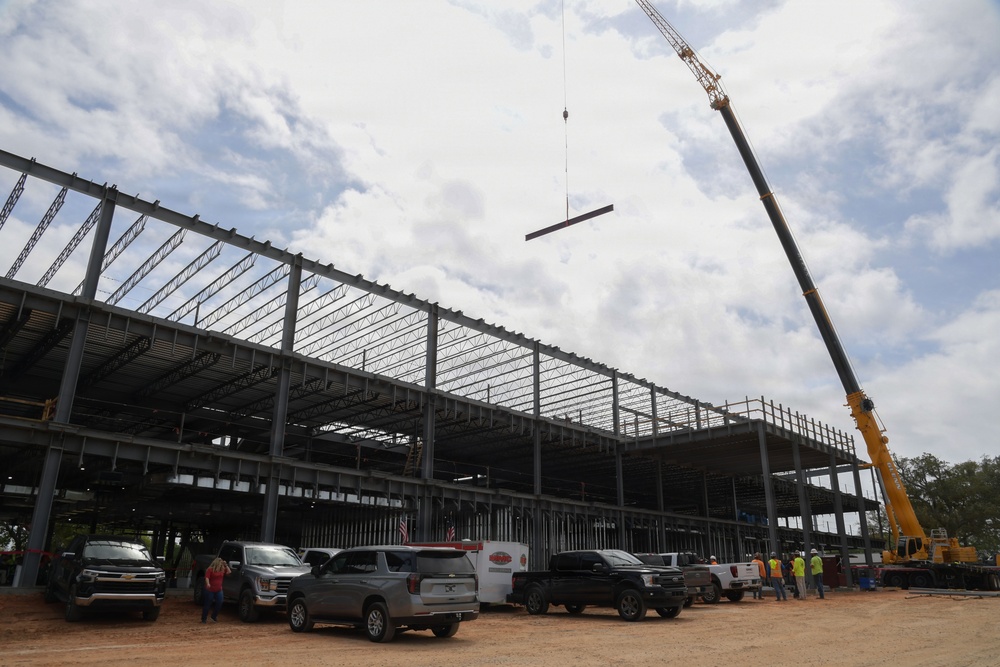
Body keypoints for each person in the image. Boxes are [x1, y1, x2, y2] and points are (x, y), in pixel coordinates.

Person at [201, 557, 231, 623]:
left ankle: (214, 616)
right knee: (207, 604)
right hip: (210, 589)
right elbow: (207, 577)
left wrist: (226, 565)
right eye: (220, 564)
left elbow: (229, 572)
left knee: (219, 602)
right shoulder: (210, 570)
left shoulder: (222, 570)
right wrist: (208, 583)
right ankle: (204, 618)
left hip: (219, 589)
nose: (221, 565)